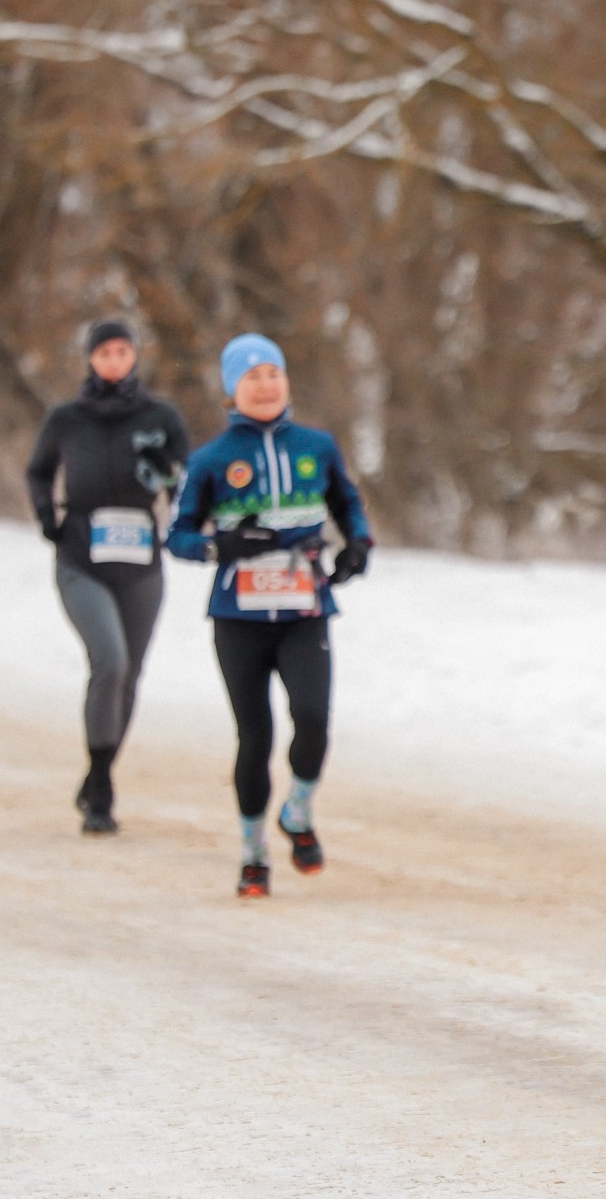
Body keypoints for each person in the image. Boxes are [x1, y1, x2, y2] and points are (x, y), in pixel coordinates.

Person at [166, 333, 374, 898]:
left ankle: (298, 812)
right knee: (254, 737)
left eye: (273, 374)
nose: (265, 385)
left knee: (312, 719)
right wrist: (219, 547)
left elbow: (349, 505)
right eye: (251, 376)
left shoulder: (318, 446)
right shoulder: (210, 460)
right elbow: (177, 535)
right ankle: (253, 855)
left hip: (306, 608)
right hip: (239, 618)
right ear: (232, 390)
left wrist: (357, 545)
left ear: (287, 382)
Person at [25, 319, 191, 834]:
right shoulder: (67, 418)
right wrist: (48, 518)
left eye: (123, 351)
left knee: (131, 674)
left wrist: (168, 477)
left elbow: (188, 479)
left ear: (135, 357)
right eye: (105, 352)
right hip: (82, 560)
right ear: (91, 359)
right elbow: (38, 469)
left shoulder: (161, 416)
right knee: (110, 661)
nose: (115, 361)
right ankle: (101, 788)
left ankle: (98, 774)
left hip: (141, 564)